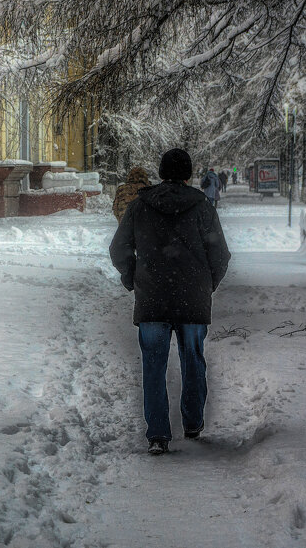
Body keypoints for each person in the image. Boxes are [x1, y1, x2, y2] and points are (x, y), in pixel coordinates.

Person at [109, 148, 231, 455]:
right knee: (193, 359)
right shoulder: (203, 206)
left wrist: (132, 279)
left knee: (153, 365)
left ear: (161, 172)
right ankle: (192, 422)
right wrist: (207, 285)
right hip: (192, 298)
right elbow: (220, 254)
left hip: (152, 297)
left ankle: (158, 435)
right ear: (189, 175)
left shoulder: (140, 206)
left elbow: (119, 248)